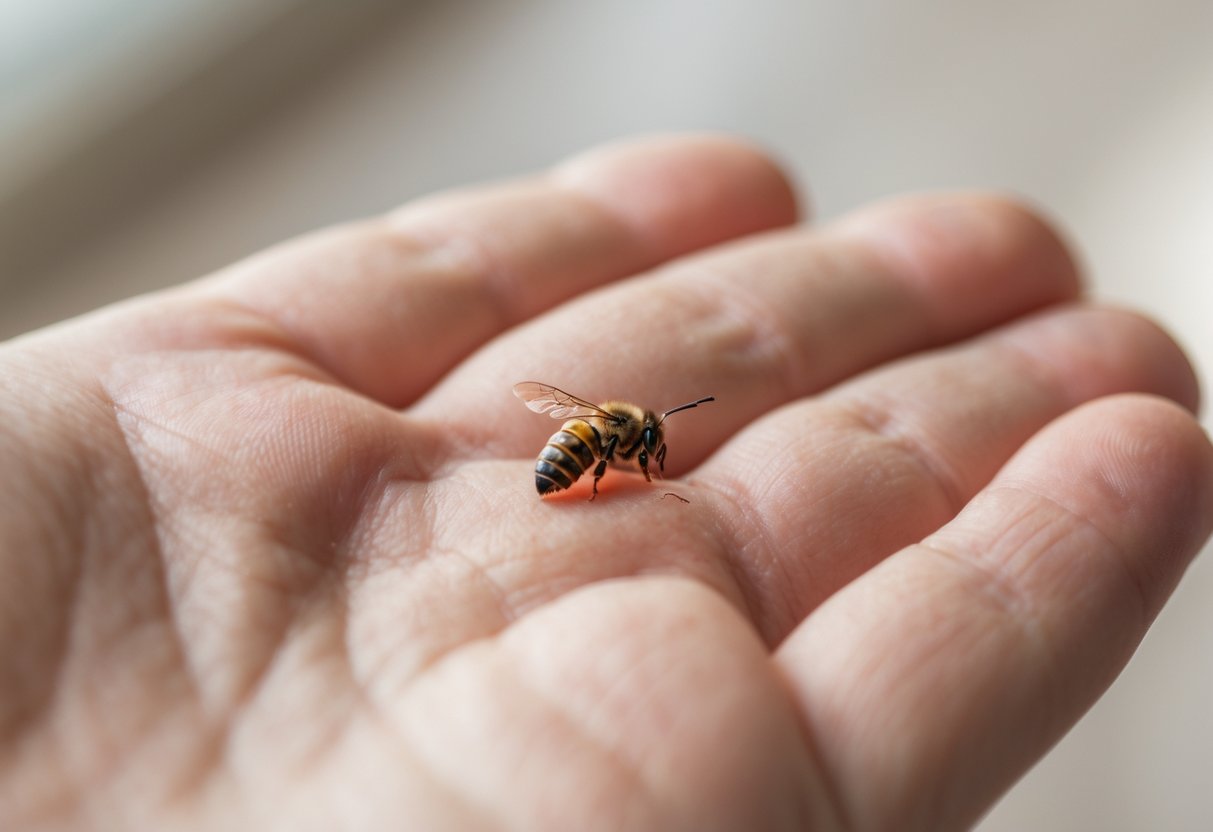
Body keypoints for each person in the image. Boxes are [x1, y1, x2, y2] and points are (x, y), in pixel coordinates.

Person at [0, 134, 1209, 831]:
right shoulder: (610, 446)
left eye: (624, 453)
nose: (638, 458)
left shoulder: (603, 433)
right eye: (634, 450)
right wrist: (592, 480)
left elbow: (579, 432)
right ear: (621, 445)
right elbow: (593, 446)